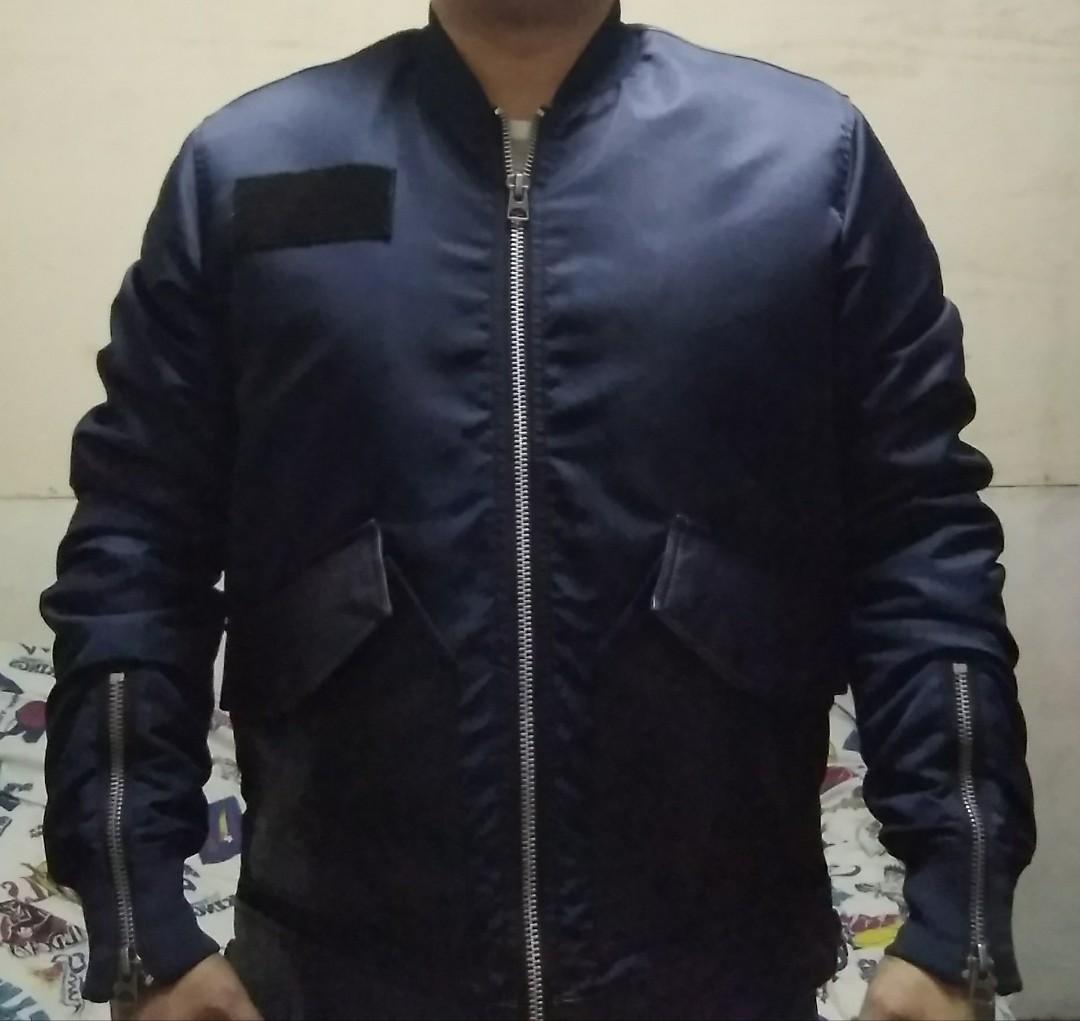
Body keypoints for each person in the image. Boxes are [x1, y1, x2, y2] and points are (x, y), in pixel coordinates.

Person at [39, 1, 1036, 1019]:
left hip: (721, 964)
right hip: (338, 964)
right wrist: (144, 924)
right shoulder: (249, 170)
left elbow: (919, 541)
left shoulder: (806, 165)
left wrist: (954, 915)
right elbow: (136, 546)